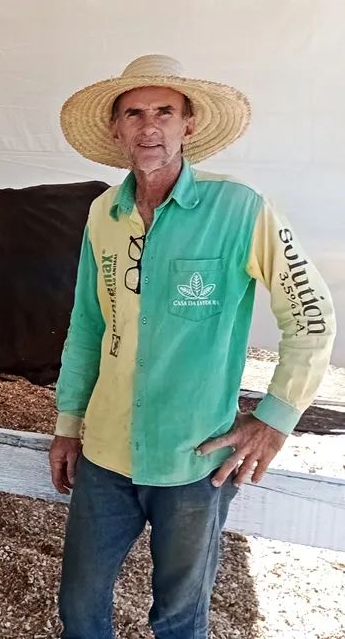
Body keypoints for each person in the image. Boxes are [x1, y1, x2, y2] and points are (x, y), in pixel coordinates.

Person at [50, 54, 336, 639]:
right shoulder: (103, 214)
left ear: (190, 125)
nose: (148, 126)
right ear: (116, 129)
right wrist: (68, 422)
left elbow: (312, 316)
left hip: (194, 459)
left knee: (179, 620)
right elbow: (87, 325)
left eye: (164, 112)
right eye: (133, 113)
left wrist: (274, 420)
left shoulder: (240, 209)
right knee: (79, 609)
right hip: (104, 453)